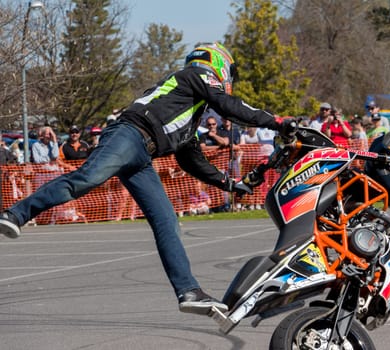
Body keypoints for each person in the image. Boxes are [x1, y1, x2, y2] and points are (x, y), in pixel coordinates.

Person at [0, 42, 287, 315]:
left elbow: (191, 159)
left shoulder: (189, 108)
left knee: (166, 220)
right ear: (220, 66)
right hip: (129, 135)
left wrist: (228, 184)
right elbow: (229, 105)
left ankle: (188, 291)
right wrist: (276, 122)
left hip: (141, 154)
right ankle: (15, 214)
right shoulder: (197, 74)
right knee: (86, 179)